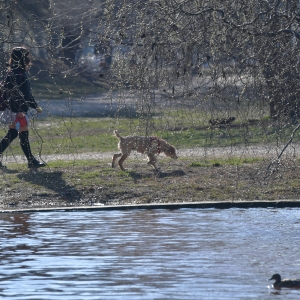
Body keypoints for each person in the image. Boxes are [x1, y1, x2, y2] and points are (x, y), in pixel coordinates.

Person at [0, 47, 45, 169]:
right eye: (27, 56)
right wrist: (20, 110)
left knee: (14, 133)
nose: (29, 59)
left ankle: (31, 161)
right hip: (16, 110)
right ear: (22, 58)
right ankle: (31, 161)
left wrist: (35, 106)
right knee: (21, 134)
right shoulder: (15, 73)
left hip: (17, 109)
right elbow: (14, 94)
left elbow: (27, 93)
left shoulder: (18, 71)